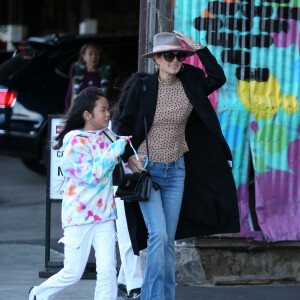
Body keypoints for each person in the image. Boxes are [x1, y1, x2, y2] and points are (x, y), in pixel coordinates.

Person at [116, 31, 240, 300]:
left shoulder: (191, 81)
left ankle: (165, 297)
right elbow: (122, 126)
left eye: (180, 55)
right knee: (158, 236)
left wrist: (198, 48)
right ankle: (150, 297)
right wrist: (129, 156)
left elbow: (218, 77)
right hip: (148, 171)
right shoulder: (144, 87)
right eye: (169, 55)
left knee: (168, 242)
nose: (176, 60)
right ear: (157, 59)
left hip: (177, 169)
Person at [29, 87, 129, 300]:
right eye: (102, 110)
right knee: (73, 272)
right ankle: (38, 295)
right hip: (79, 216)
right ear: (87, 115)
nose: (108, 113)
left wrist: (132, 159)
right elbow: (91, 176)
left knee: (108, 269)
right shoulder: (75, 142)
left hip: (104, 214)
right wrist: (113, 152)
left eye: (107, 109)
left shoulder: (108, 135)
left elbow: (118, 164)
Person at [111, 72, 150, 300]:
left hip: (143, 182)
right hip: (123, 184)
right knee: (128, 234)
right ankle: (135, 285)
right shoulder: (120, 120)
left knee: (139, 235)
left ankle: (125, 280)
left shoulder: (152, 116)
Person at [64, 43, 111, 111]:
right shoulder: (76, 76)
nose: (94, 57)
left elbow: (111, 98)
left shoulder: (106, 75)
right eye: (90, 54)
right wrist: (71, 115)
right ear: (83, 57)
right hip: (79, 115)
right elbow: (68, 99)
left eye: (96, 54)